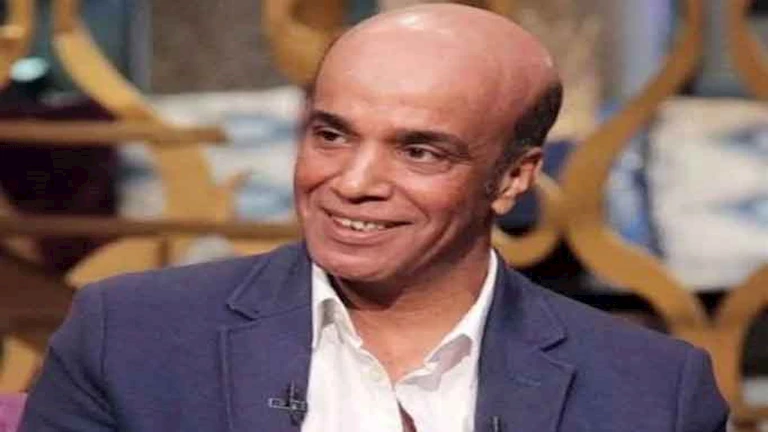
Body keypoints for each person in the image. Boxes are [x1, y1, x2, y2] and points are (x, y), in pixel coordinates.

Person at [20, 4, 727, 432]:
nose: (351, 184)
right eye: (331, 135)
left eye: (419, 151)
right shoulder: (129, 336)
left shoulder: (653, 391)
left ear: (513, 177)